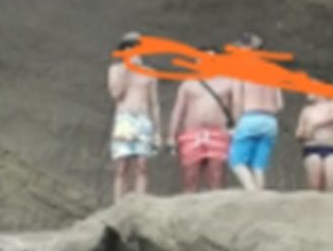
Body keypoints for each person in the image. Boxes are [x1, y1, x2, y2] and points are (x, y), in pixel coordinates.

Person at [167, 47, 236, 192]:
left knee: (216, 176)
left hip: (218, 133)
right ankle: (188, 210)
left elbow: (236, 108)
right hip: (192, 133)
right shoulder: (188, 84)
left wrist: (237, 129)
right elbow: (178, 111)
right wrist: (171, 137)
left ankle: (215, 211)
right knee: (190, 176)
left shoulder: (228, 82)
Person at [108, 32, 162, 202]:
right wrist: (127, 69)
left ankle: (140, 203)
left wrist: (158, 131)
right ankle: (118, 204)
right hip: (125, 119)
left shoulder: (150, 72)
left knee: (142, 165)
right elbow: (116, 93)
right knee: (121, 166)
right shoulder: (115, 69)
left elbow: (154, 103)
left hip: (143, 119)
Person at [228, 33, 284, 191]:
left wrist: (235, 125)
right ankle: (260, 199)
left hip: (250, 118)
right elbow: (279, 104)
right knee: (258, 166)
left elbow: (237, 101)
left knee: (237, 162)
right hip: (270, 121)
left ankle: (252, 193)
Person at [296, 95, 333, 191]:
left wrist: (314, 125)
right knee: (315, 185)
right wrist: (303, 134)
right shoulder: (306, 110)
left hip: (330, 147)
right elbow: (298, 132)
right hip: (312, 147)